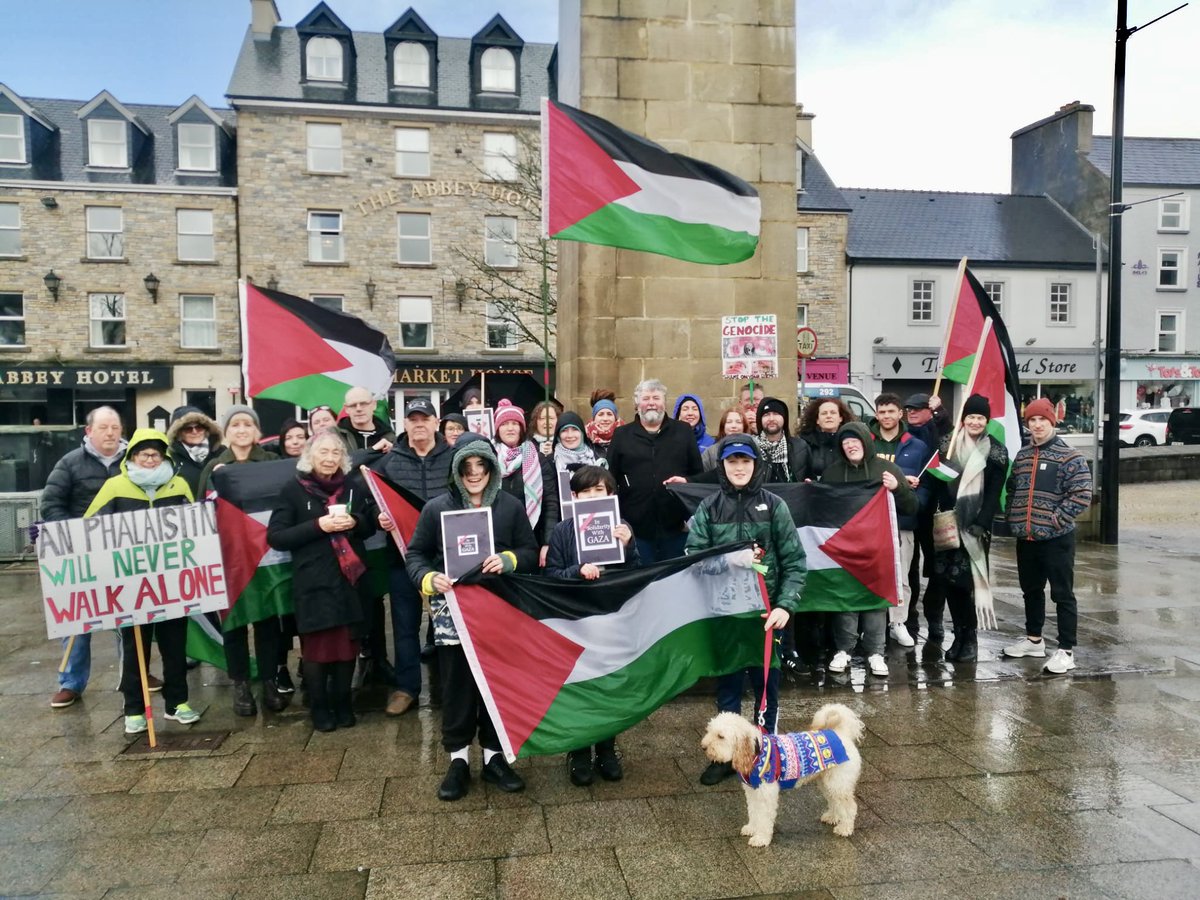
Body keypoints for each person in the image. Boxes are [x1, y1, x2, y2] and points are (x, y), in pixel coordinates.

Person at [405, 440, 540, 800]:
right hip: (454, 614)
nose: (474, 473)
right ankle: (459, 761)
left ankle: (496, 758)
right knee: (457, 686)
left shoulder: (510, 506)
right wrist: (427, 578)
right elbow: (415, 553)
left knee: (495, 686)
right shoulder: (436, 509)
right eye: (467, 466)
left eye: (481, 465)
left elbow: (529, 550)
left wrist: (509, 559)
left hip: (499, 611)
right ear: (457, 470)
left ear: (492, 469)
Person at [687, 435, 805, 785]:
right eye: (732, 461)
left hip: (766, 616)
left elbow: (795, 562)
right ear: (721, 466)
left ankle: (762, 753)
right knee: (728, 686)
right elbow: (694, 561)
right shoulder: (708, 508)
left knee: (766, 686)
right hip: (726, 614)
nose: (739, 468)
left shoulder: (775, 506)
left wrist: (785, 605)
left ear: (756, 465)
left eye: (745, 461)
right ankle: (725, 757)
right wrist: (731, 560)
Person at [85, 429, 199, 733]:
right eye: (144, 454)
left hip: (172, 583)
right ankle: (133, 708)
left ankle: (177, 703)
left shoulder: (179, 485)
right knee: (136, 648)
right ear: (132, 456)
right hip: (131, 586)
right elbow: (90, 528)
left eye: (156, 454)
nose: (150, 460)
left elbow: (196, 527)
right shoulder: (114, 486)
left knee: (175, 645)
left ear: (164, 457)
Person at [268, 431, 375, 731]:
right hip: (314, 583)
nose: (330, 458)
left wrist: (355, 522)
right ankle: (319, 708)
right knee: (318, 650)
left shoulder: (352, 487)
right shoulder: (293, 489)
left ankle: (343, 703)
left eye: (335, 453)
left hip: (350, 581)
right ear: (310, 456)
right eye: (323, 452)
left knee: (346, 648)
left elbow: (368, 524)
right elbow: (276, 537)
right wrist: (319, 525)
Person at [544, 465, 639, 785]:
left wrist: (629, 547)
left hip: (610, 616)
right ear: (574, 497)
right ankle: (579, 751)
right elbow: (552, 575)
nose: (593, 496)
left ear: (611, 494)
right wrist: (577, 571)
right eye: (586, 491)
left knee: (609, 685)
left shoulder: (622, 526)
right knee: (581, 686)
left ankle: (608, 749)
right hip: (576, 619)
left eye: (600, 490)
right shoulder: (561, 531)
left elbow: (636, 575)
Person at [42, 406, 138, 708]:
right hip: (82, 558)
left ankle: (135, 675)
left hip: (124, 555)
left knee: (129, 621)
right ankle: (71, 683)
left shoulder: (134, 462)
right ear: (89, 431)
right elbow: (52, 504)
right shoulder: (69, 463)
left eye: (115, 427)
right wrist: (72, 537)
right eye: (103, 428)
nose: (110, 433)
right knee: (77, 623)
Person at [199, 406, 286, 717]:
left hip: (267, 557)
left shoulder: (273, 462)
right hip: (231, 561)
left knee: (266, 623)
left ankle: (269, 680)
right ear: (226, 431)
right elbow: (203, 515)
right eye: (235, 424)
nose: (241, 429)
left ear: (257, 431)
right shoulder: (214, 468)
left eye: (247, 423)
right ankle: (240, 684)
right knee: (234, 624)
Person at [373, 397, 455, 716]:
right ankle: (407, 687)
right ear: (404, 425)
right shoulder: (389, 461)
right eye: (413, 419)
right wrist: (377, 518)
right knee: (405, 625)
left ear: (437, 423)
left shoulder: (453, 457)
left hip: (444, 557)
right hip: (402, 556)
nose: (419, 424)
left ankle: (452, 683)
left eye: (425, 418)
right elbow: (372, 503)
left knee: (449, 625)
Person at [1003, 398, 1093, 675]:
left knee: (1062, 595)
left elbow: (1082, 494)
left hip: (1056, 539)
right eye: (1032, 420)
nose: (1037, 425)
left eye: (1042, 419)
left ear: (1052, 421)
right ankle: (1034, 640)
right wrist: (1013, 516)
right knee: (1031, 591)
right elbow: (1013, 487)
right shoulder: (1023, 455)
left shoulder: (1070, 456)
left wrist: (1055, 520)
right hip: (1026, 538)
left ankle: (1066, 650)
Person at [821, 422, 917, 678]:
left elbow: (911, 506)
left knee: (876, 600)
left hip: (879, 548)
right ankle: (844, 650)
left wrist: (898, 488)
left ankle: (876, 652)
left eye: (855, 440)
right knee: (847, 602)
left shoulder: (887, 469)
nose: (851, 445)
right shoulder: (832, 473)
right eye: (845, 442)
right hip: (846, 550)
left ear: (865, 441)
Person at [930, 395, 1009, 662]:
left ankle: (971, 638)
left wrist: (982, 523)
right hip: (948, 524)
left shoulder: (996, 450)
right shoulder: (948, 444)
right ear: (963, 419)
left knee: (966, 585)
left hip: (975, 527)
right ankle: (958, 635)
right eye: (971, 417)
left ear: (986, 421)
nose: (975, 422)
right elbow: (938, 481)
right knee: (948, 583)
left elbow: (994, 493)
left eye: (980, 418)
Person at [608, 379, 703, 563]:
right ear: (637, 404)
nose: (651, 402)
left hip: (676, 528)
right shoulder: (621, 435)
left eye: (656, 397)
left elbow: (697, 475)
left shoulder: (683, 431)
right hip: (635, 531)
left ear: (664, 402)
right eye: (646, 398)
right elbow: (610, 479)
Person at [868, 393, 931, 648]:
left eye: (890, 412)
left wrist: (917, 502)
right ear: (876, 414)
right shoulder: (866, 443)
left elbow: (926, 485)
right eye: (881, 412)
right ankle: (872, 625)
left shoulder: (916, 446)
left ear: (900, 414)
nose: (886, 417)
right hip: (871, 523)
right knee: (871, 575)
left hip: (903, 521)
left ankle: (898, 623)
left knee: (901, 576)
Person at [493, 399, 559, 566]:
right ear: (497, 428)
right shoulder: (488, 457)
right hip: (496, 538)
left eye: (515, 423)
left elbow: (550, 502)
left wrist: (547, 542)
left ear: (521, 428)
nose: (510, 428)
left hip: (531, 538)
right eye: (505, 423)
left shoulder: (537, 457)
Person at [165, 406, 223, 497]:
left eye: (199, 427)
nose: (195, 432)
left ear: (206, 429)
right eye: (188, 429)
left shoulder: (222, 453)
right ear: (178, 433)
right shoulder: (170, 459)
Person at [754, 396, 811, 483]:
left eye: (776, 414)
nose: (771, 419)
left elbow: (811, 477)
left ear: (784, 418)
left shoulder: (800, 447)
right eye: (766, 414)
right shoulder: (751, 447)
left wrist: (809, 484)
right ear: (759, 420)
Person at [798, 397, 855, 480]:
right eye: (824, 413)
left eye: (833, 413)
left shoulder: (851, 442)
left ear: (840, 418)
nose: (828, 416)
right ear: (817, 420)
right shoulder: (804, 443)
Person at [338, 386, 396, 454]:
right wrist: (373, 449)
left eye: (363, 404)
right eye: (353, 405)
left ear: (374, 405)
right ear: (346, 408)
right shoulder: (335, 436)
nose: (358, 409)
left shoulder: (391, 439)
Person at [701, 406, 749, 471]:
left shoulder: (753, 448)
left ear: (744, 426)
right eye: (729, 422)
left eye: (738, 422)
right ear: (723, 426)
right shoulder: (710, 452)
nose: (733, 426)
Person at [585, 396, 621, 461]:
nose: (605, 419)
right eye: (601, 414)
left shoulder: (625, 437)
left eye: (609, 414)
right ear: (594, 418)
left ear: (615, 418)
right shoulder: (584, 439)